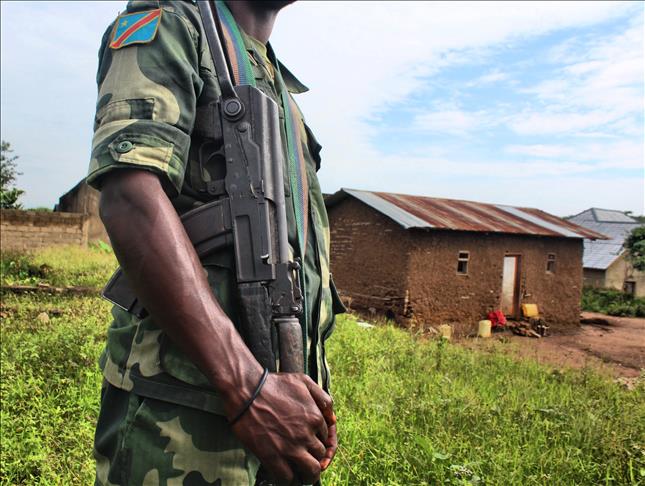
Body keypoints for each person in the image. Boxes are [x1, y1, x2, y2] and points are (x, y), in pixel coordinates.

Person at [87, 1, 345, 484]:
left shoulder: (279, 87)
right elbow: (129, 197)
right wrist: (248, 389)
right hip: (179, 428)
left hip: (285, 418)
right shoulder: (173, 24)